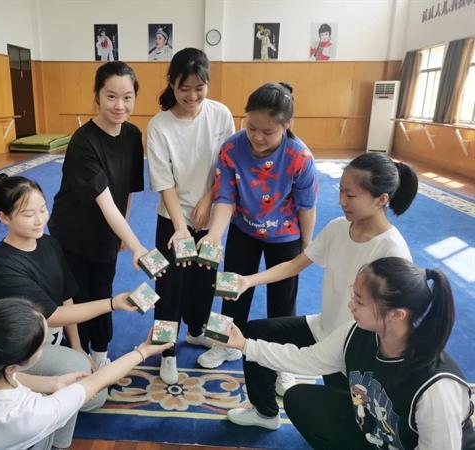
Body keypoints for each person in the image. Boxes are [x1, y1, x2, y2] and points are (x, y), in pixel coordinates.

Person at [222, 152, 418, 429]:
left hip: (355, 346)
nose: (342, 201)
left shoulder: (392, 250)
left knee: (349, 424)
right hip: (323, 326)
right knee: (257, 331)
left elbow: (394, 320)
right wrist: (248, 281)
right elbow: (295, 264)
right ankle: (265, 413)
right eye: (341, 191)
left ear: (381, 199)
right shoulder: (338, 227)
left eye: (351, 195)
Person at [222, 257, 475, 449]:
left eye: (360, 301)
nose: (350, 304)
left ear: (397, 315)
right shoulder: (356, 332)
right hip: (377, 430)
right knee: (299, 398)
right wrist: (244, 345)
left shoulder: (437, 388)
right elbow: (304, 359)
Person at [0, 173, 141, 446]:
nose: (39, 220)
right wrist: (113, 303)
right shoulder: (3, 266)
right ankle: (57, 442)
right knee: (76, 379)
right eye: (28, 214)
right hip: (16, 352)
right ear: (4, 217)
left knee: (95, 397)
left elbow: (67, 296)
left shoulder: (49, 244)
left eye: (43, 209)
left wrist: (77, 346)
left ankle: (41, 392)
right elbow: (54, 315)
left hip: (47, 341)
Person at [0, 298, 173, 450]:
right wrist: (144, 351)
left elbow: (9, 380)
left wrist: (53, 383)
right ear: (15, 365)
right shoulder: (31, 414)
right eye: (42, 344)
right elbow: (96, 382)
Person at [196, 82, 317, 395]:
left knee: (283, 303)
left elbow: (307, 206)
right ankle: (225, 343)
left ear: (286, 125)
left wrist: (306, 246)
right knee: (230, 289)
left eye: (268, 132)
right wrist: (215, 234)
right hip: (244, 229)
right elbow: (225, 196)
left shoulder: (300, 157)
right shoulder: (231, 149)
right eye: (252, 127)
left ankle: (283, 363)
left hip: (285, 235)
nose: (258, 137)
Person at [49, 61, 148, 368]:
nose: (120, 105)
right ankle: (75, 356)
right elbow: (105, 201)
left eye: (127, 97)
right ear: (97, 96)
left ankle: (100, 355)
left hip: (109, 229)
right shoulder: (84, 141)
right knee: (77, 295)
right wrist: (136, 245)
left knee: (103, 290)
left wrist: (123, 231)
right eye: (111, 96)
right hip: (74, 232)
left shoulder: (132, 135)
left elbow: (128, 189)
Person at [146, 47, 235, 384]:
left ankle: (197, 331)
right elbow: (164, 182)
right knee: (169, 286)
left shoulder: (220, 114)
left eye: (200, 87)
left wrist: (209, 198)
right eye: (185, 88)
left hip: (211, 216)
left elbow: (227, 166)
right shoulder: (159, 125)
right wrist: (181, 227)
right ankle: (166, 350)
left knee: (204, 281)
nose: (193, 96)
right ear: (171, 83)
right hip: (173, 219)